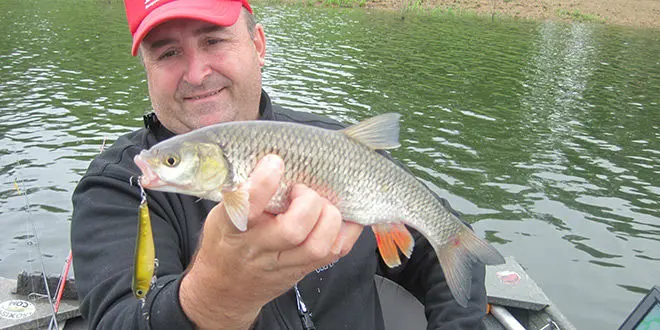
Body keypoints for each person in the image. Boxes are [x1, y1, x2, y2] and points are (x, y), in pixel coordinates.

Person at [70, 0, 490, 328]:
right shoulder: (120, 186)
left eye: (214, 40)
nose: (196, 73)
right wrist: (214, 298)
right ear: (146, 68)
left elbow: (448, 244)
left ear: (258, 46)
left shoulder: (335, 144)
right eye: (167, 53)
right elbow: (120, 317)